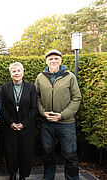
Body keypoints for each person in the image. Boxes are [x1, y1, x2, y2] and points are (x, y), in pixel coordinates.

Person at [35, 49, 82, 180]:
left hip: (66, 123)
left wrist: (62, 115)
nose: (53, 61)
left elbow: (76, 98)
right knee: (47, 152)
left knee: (70, 154)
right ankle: (48, 177)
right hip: (46, 123)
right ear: (46, 61)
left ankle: (72, 178)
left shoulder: (69, 76)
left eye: (56, 58)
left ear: (61, 60)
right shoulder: (40, 77)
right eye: (50, 59)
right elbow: (36, 97)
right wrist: (43, 112)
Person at [0, 62, 37, 180]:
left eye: (18, 71)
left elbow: (34, 108)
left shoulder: (31, 87)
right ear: (11, 74)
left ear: (23, 72)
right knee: (11, 152)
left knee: (26, 153)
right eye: (14, 71)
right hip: (9, 127)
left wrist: (23, 124)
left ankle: (23, 175)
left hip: (26, 127)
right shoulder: (5, 87)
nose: (16, 73)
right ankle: (12, 174)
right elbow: (3, 107)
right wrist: (11, 123)